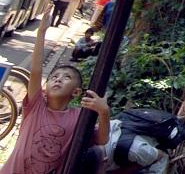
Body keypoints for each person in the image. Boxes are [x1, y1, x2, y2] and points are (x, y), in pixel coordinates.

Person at [1, 9, 110, 173]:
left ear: (76, 92)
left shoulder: (78, 116)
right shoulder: (36, 106)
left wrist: (104, 112)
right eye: (54, 76)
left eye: (66, 77)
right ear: (44, 89)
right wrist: (41, 32)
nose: (58, 79)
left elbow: (101, 139)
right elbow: (36, 70)